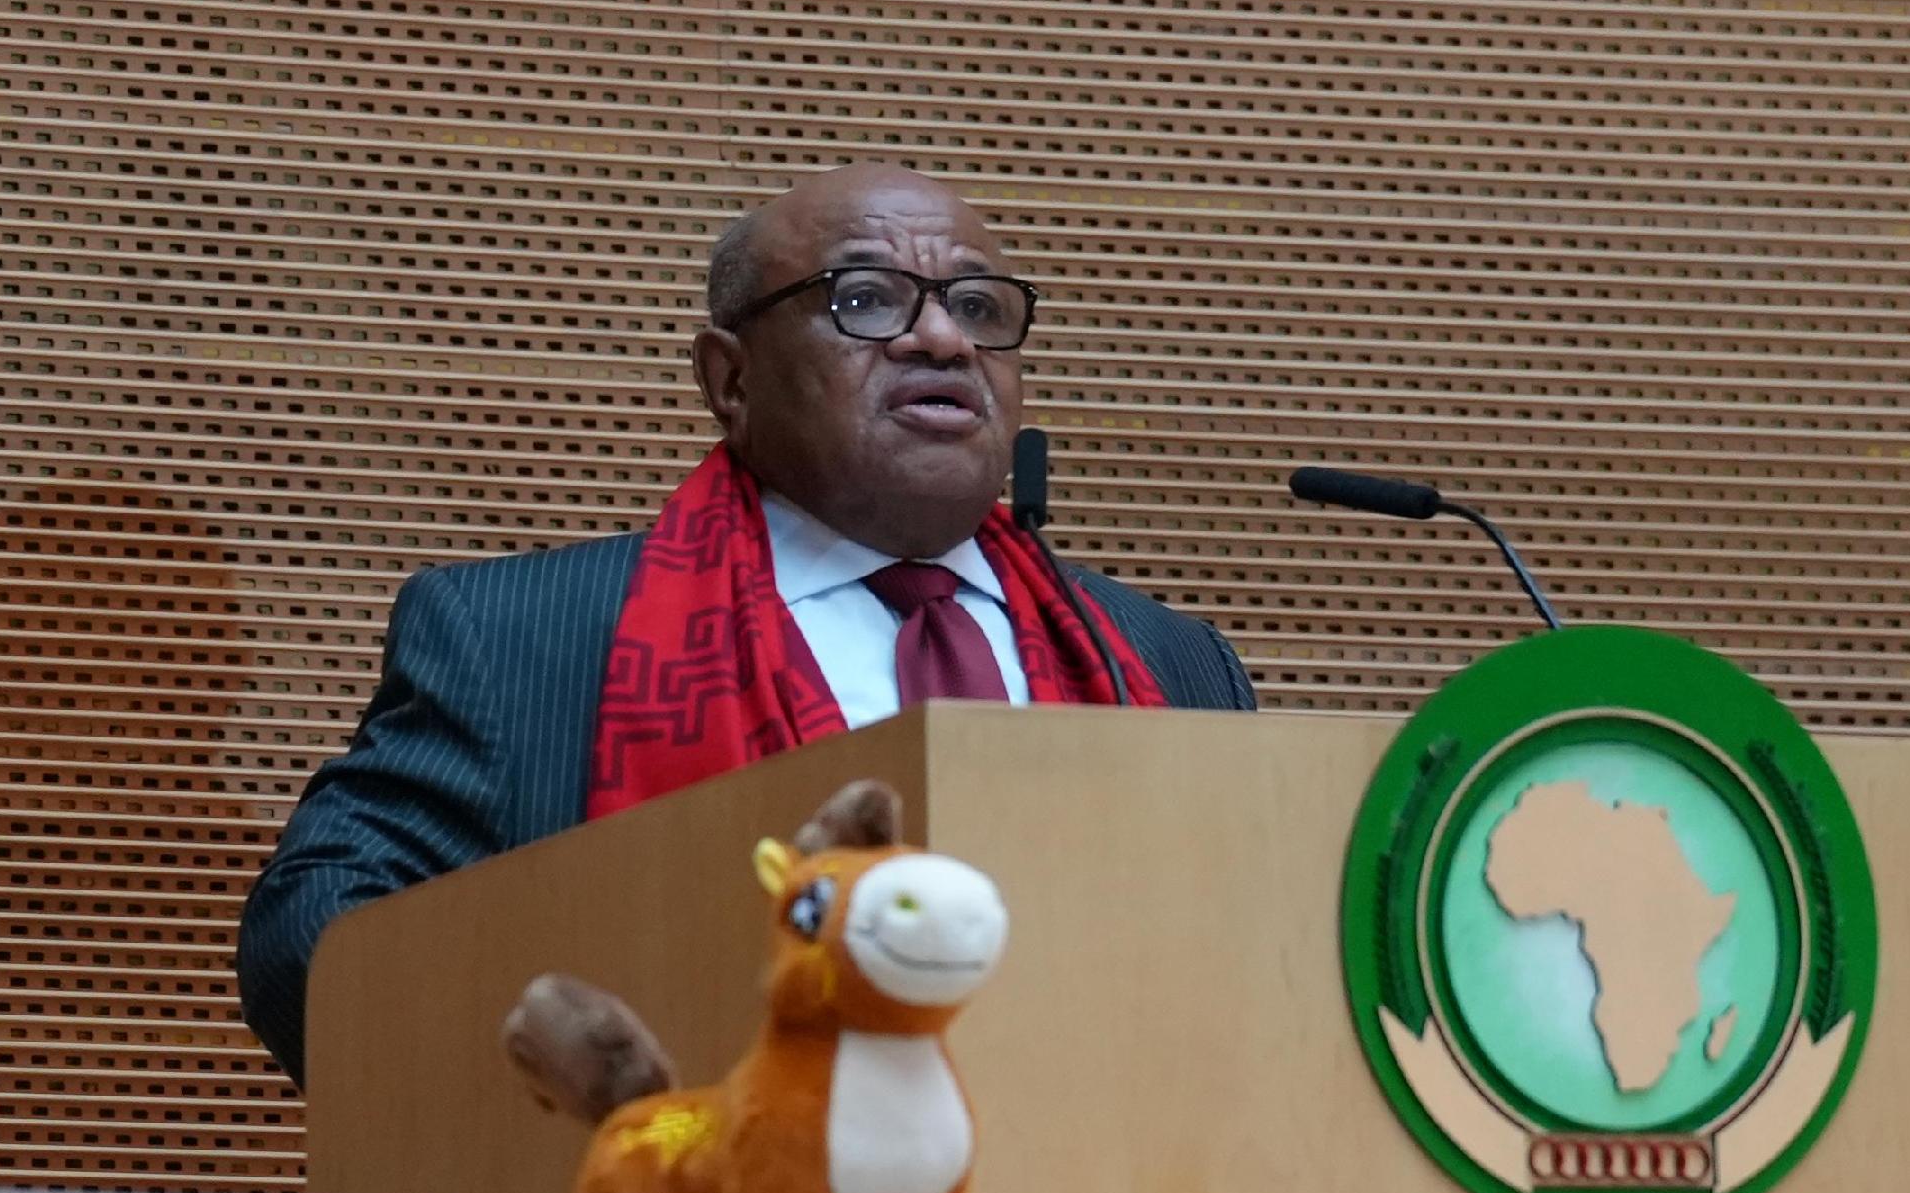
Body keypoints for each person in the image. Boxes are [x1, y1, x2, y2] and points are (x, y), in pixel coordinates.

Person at [235, 164, 1255, 1085]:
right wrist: (575, 1090)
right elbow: (315, 954)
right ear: (731, 379)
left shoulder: (1167, 664)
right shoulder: (520, 639)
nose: (943, 338)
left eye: (978, 307)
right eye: (866, 299)